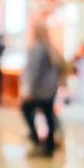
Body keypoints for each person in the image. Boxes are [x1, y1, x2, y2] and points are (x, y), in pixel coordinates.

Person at [21, 22, 63, 158]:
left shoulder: (38, 48)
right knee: (48, 115)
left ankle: (37, 138)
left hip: (40, 90)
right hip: (50, 89)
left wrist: (29, 90)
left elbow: (34, 71)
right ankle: (49, 145)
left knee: (26, 109)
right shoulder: (50, 47)